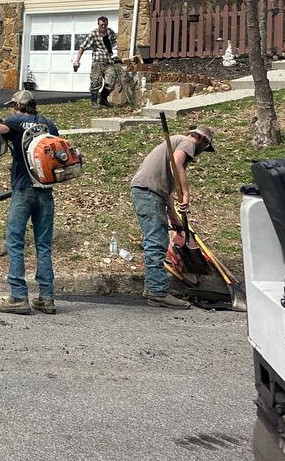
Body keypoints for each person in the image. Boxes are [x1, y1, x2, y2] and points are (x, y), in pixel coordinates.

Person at [0, 90, 60, 315]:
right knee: (43, 245)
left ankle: (18, 296)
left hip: (23, 189)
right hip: (45, 192)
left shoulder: (16, 121)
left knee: (16, 242)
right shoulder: (48, 124)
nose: (11, 109)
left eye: (12, 106)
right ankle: (46, 298)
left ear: (18, 106)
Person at [129, 125, 215, 308]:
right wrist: (185, 192)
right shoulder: (187, 142)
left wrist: (173, 216)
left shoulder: (174, 143)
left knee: (156, 240)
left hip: (150, 191)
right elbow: (175, 164)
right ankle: (157, 293)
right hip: (148, 192)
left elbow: (167, 188)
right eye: (205, 147)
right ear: (202, 140)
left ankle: (153, 286)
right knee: (156, 242)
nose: (200, 153)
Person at [73, 16, 118, 109]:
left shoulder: (110, 32)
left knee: (111, 81)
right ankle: (94, 102)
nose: (103, 27)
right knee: (96, 82)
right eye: (102, 25)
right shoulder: (93, 34)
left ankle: (103, 99)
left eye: (105, 25)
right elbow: (82, 47)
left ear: (107, 24)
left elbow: (114, 43)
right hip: (97, 61)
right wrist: (77, 61)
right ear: (98, 24)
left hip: (108, 61)